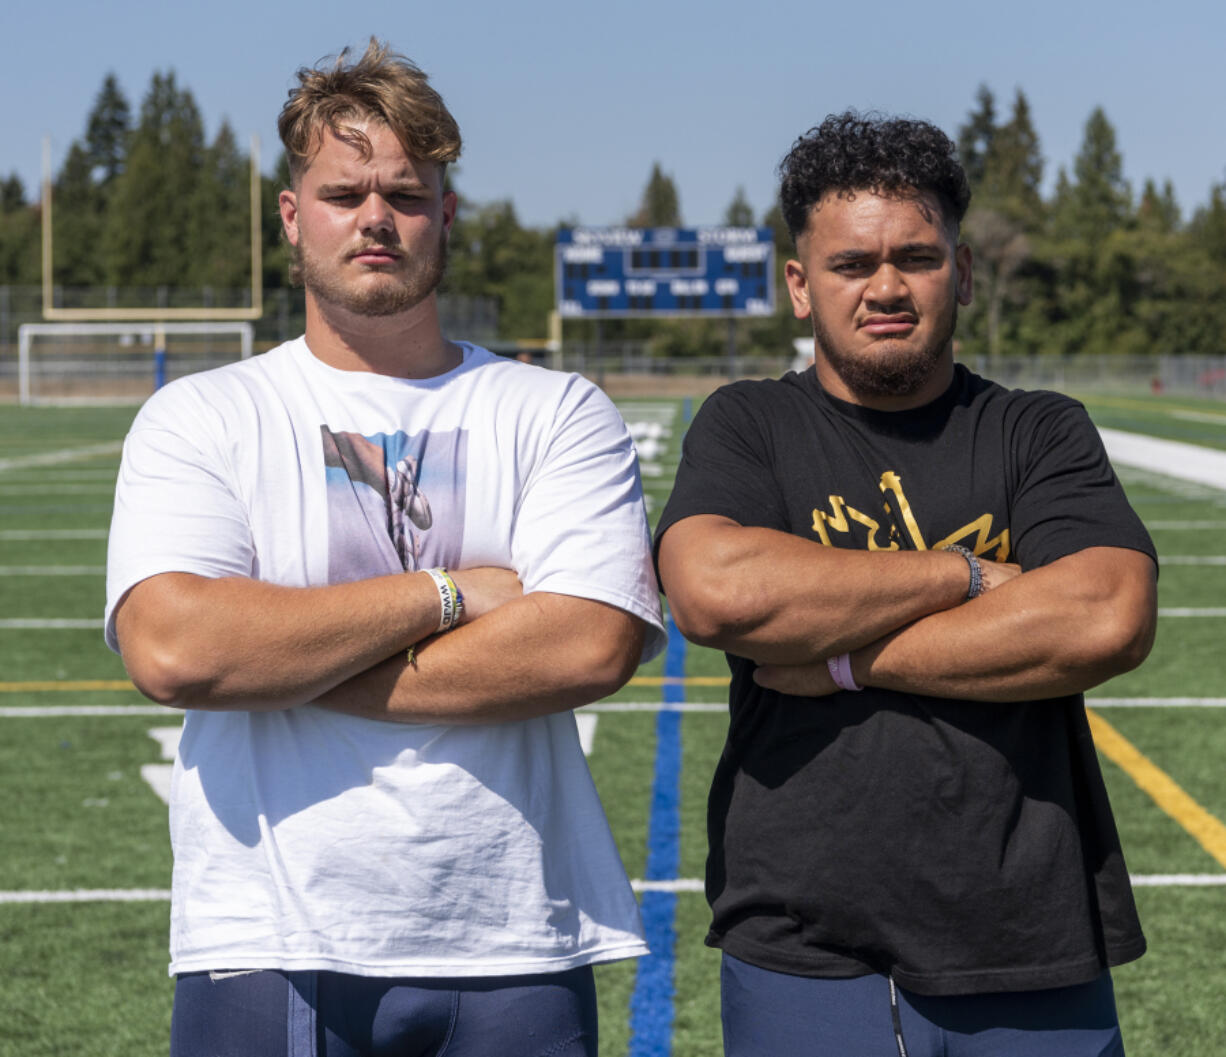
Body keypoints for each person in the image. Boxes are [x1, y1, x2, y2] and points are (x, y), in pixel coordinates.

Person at [105, 40, 665, 1057]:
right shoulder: (204, 414)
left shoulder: (554, 410)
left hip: (512, 935)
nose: (374, 218)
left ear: (445, 214)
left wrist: (277, 657)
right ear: (292, 216)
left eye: (404, 193)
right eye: (343, 191)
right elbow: (178, 651)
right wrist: (450, 593)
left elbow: (585, 647)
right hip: (266, 933)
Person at [654, 112, 1157, 1057]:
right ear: (800, 286)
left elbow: (1105, 614)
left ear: (960, 274)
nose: (886, 286)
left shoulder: (1038, 431)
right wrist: (964, 574)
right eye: (851, 264)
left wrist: (839, 659)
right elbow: (719, 592)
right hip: (804, 942)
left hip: (1031, 939)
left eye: (917, 257)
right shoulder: (748, 424)